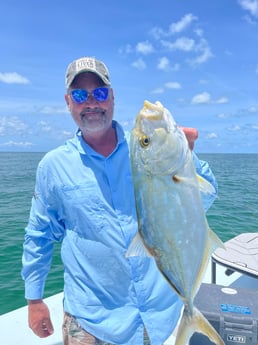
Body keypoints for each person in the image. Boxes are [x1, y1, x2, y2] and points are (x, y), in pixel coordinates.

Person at [21, 56, 218, 345]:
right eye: (80, 95)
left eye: (100, 93)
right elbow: (39, 234)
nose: (91, 102)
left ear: (112, 97)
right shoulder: (53, 166)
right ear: (68, 101)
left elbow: (207, 198)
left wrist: (187, 158)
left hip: (156, 317)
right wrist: (34, 298)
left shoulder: (145, 148)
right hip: (91, 321)